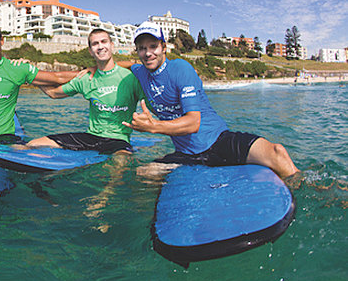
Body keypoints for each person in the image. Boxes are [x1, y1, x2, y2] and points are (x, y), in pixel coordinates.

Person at [123, 21, 299, 178]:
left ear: (163, 47)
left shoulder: (180, 69)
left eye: (153, 46)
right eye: (142, 48)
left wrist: (153, 126)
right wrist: (102, 64)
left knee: (277, 153)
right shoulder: (141, 72)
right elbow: (128, 64)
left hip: (217, 142)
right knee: (143, 173)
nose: (148, 53)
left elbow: (193, 123)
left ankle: (302, 189)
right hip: (186, 155)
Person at [26, 29, 146, 154]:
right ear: (90, 51)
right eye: (95, 44)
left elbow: (149, 104)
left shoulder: (131, 77)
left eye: (104, 42)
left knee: (121, 161)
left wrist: (145, 120)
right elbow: (53, 93)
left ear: (112, 45)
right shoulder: (85, 78)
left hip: (119, 140)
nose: (100, 46)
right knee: (33, 144)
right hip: (91, 137)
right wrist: (29, 75)